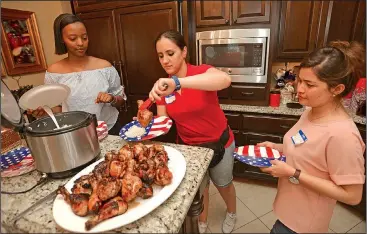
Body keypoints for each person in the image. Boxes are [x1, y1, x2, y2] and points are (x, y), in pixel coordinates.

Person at [258, 41, 365, 233]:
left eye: (309, 84)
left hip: (304, 223)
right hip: (289, 208)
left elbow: (352, 196)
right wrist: (276, 147)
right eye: (300, 80)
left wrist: (293, 173)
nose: (299, 89)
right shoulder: (310, 111)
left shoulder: (343, 136)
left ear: (337, 89)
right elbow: (306, 149)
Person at [148, 30, 237, 233]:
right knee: (200, 188)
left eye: (170, 53)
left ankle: (232, 212)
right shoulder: (163, 86)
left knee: (223, 184)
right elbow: (164, 121)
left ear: (184, 51)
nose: (165, 60)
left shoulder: (202, 72)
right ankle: (202, 222)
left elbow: (224, 80)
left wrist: (178, 83)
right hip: (191, 149)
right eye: (161, 56)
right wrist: (147, 124)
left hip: (219, 143)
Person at [28, 13, 126, 135]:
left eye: (84, 38)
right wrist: (44, 113)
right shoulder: (54, 73)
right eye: (73, 38)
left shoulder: (105, 67)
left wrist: (111, 99)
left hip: (109, 129)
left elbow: (121, 101)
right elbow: (58, 108)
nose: (81, 43)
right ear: (61, 39)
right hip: (75, 134)